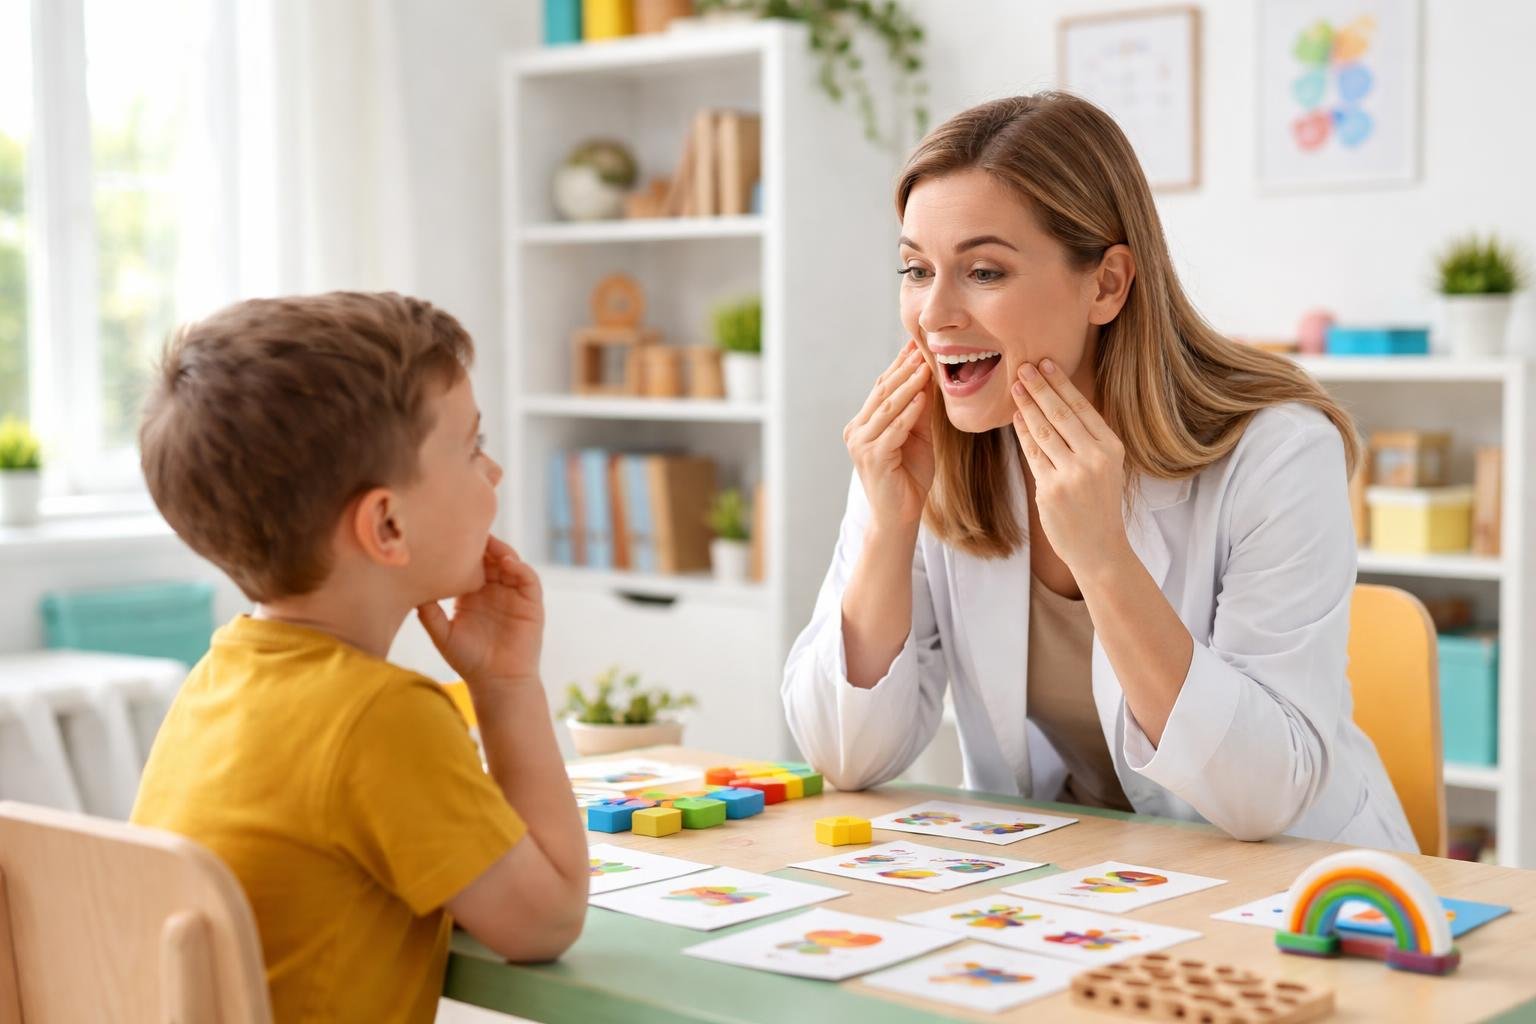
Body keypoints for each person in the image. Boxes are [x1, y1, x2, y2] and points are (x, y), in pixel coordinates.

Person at [782, 93, 1415, 851]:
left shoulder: (1276, 450)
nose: (933, 314)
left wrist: (1104, 557)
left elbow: (1263, 794)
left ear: (1108, 284)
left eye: (983, 271)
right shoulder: (929, 444)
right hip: (1071, 884)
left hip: (1291, 886)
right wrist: (889, 527)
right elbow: (845, 756)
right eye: (916, 269)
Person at [133, 292, 588, 1022]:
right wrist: (508, 688)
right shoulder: (381, 717)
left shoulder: (219, 677)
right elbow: (547, 920)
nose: (495, 472)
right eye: (472, 448)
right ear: (386, 523)